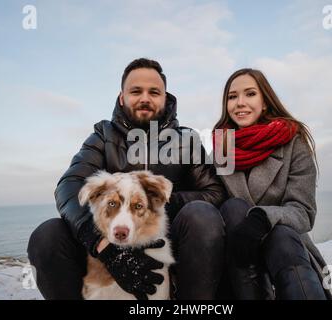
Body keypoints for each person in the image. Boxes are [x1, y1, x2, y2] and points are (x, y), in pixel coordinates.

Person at [27, 58, 227, 300]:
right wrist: (102, 244)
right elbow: (69, 186)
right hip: (109, 240)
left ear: (165, 98)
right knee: (47, 236)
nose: (145, 98)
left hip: (167, 239)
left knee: (202, 215)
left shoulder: (187, 139)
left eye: (154, 92)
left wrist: (158, 202)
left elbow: (214, 192)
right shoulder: (103, 135)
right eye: (136, 91)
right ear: (122, 97)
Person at [213, 68, 332, 300]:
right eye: (232, 96)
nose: (240, 103)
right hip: (238, 259)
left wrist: (262, 219)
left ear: (265, 102)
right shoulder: (222, 148)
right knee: (234, 207)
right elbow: (212, 198)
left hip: (286, 252)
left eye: (250, 94)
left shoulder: (293, 142)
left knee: (281, 236)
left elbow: (304, 212)